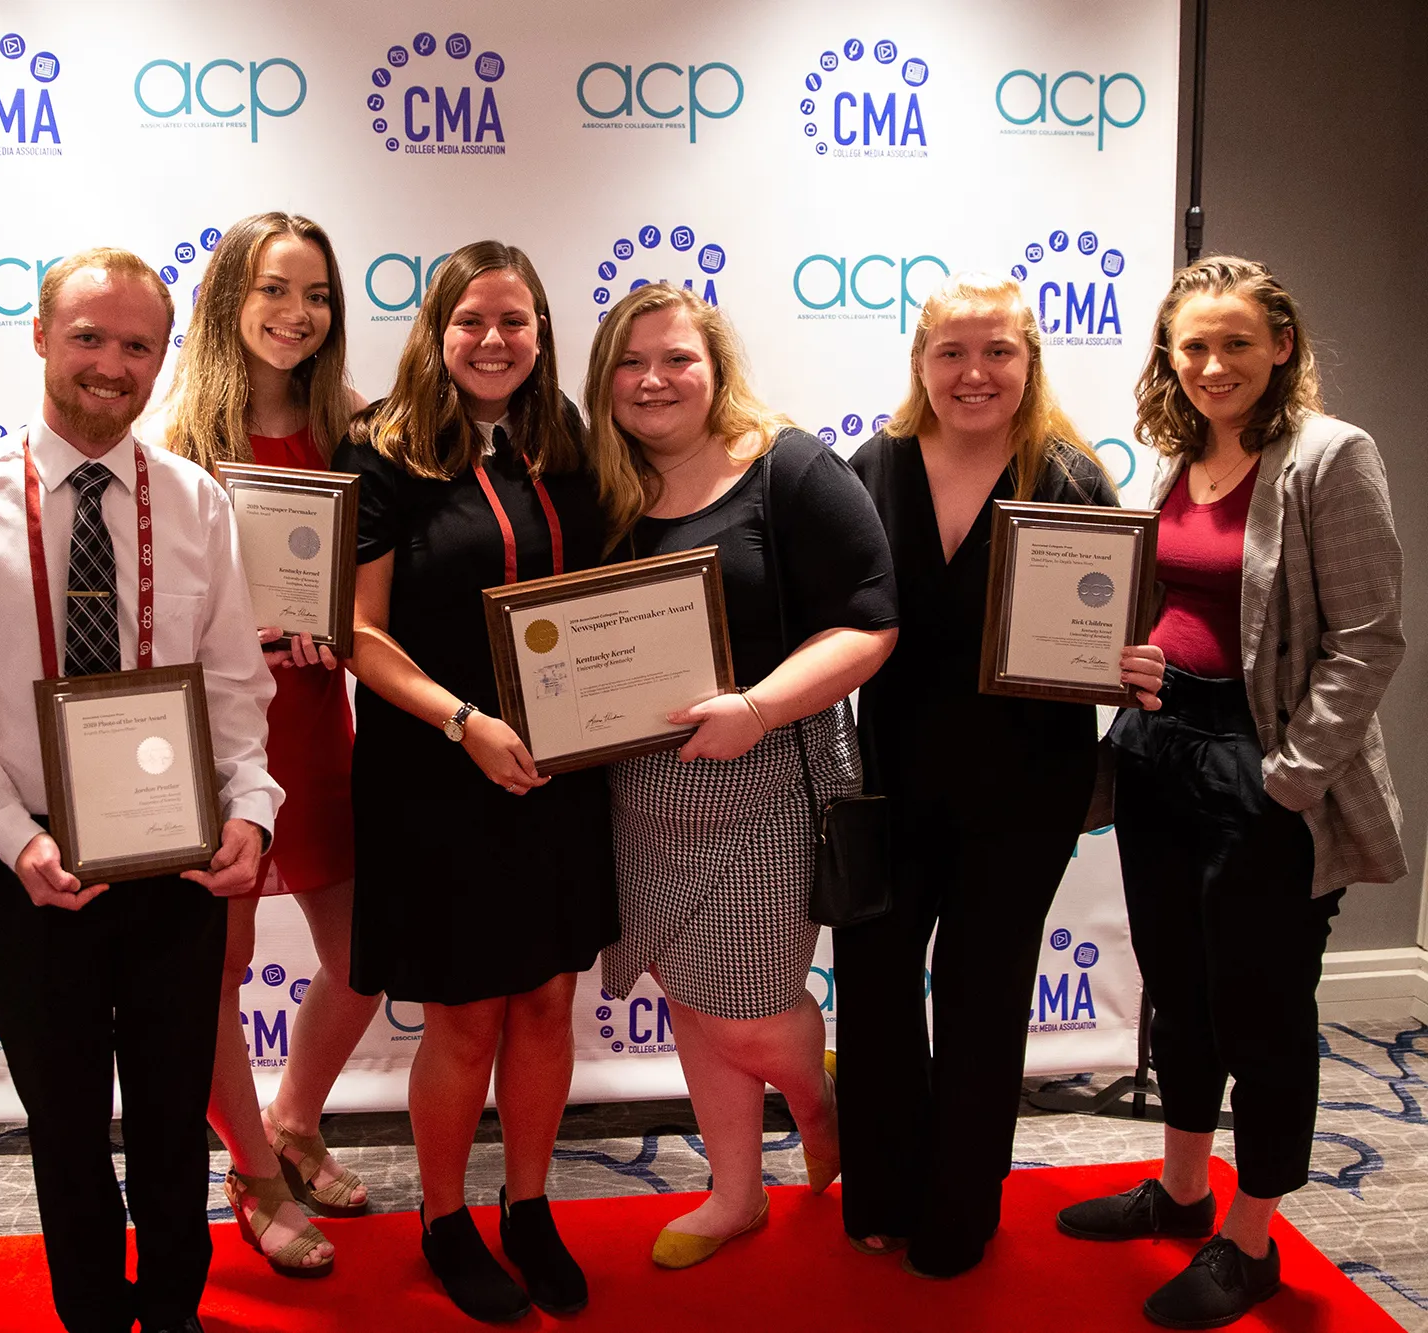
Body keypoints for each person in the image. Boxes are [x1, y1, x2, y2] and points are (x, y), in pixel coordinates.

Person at [0, 247, 282, 1333]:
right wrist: (15, 839)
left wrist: (249, 810)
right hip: (34, 860)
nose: (111, 365)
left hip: (177, 852)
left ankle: (173, 1311)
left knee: (168, 1115)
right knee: (62, 1123)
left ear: (163, 357)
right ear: (40, 338)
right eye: (89, 338)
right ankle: (94, 1318)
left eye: (137, 345)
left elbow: (236, 688)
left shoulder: (196, 501)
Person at [1056, 257, 1405, 1328]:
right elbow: (1178, 600)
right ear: (1168, 353)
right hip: (1162, 748)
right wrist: (1127, 657)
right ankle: (1177, 1190)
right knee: (1177, 988)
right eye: (1192, 346)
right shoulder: (1177, 458)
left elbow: (1365, 640)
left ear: (1281, 347)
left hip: (1262, 765)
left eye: (1235, 344)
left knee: (1259, 1011)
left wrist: (1288, 776)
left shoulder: (1327, 456)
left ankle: (1249, 1243)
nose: (1211, 365)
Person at [834, 273, 1166, 1279]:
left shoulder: (1067, 477)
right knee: (876, 989)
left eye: (997, 353)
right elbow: (827, 613)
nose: (973, 374)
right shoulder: (870, 467)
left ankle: (957, 1211)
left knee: (982, 997)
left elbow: (1113, 628)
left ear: (1028, 361)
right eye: (950, 353)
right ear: (919, 363)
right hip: (888, 779)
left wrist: (1129, 658)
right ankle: (882, 1193)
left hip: (1022, 789)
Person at [582, 284, 898, 1268]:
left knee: (749, 1007)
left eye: (675, 357)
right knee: (687, 993)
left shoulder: (787, 466)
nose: (652, 380)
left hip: (765, 774)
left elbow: (871, 619)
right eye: (630, 364)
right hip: (638, 792)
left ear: (713, 365)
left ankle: (816, 1100)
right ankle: (733, 1192)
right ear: (605, 384)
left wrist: (757, 706)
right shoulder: (600, 486)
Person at [333, 241, 615, 1323]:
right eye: (470, 322)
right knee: (464, 1016)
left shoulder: (571, 448)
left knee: (547, 997)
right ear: (435, 331)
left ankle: (529, 1204)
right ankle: (444, 1216)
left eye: (514, 321)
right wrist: (464, 722)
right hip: (437, 770)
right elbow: (357, 634)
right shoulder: (380, 456)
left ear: (542, 334)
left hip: (560, 768)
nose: (492, 342)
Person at [154, 211, 378, 1277]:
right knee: (221, 968)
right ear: (226, 301)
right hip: (215, 734)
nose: (298, 315)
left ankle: (293, 1118)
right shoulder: (173, 446)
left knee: (368, 951)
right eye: (275, 290)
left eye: (318, 294)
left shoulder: (358, 435)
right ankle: (247, 1168)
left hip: (319, 723)